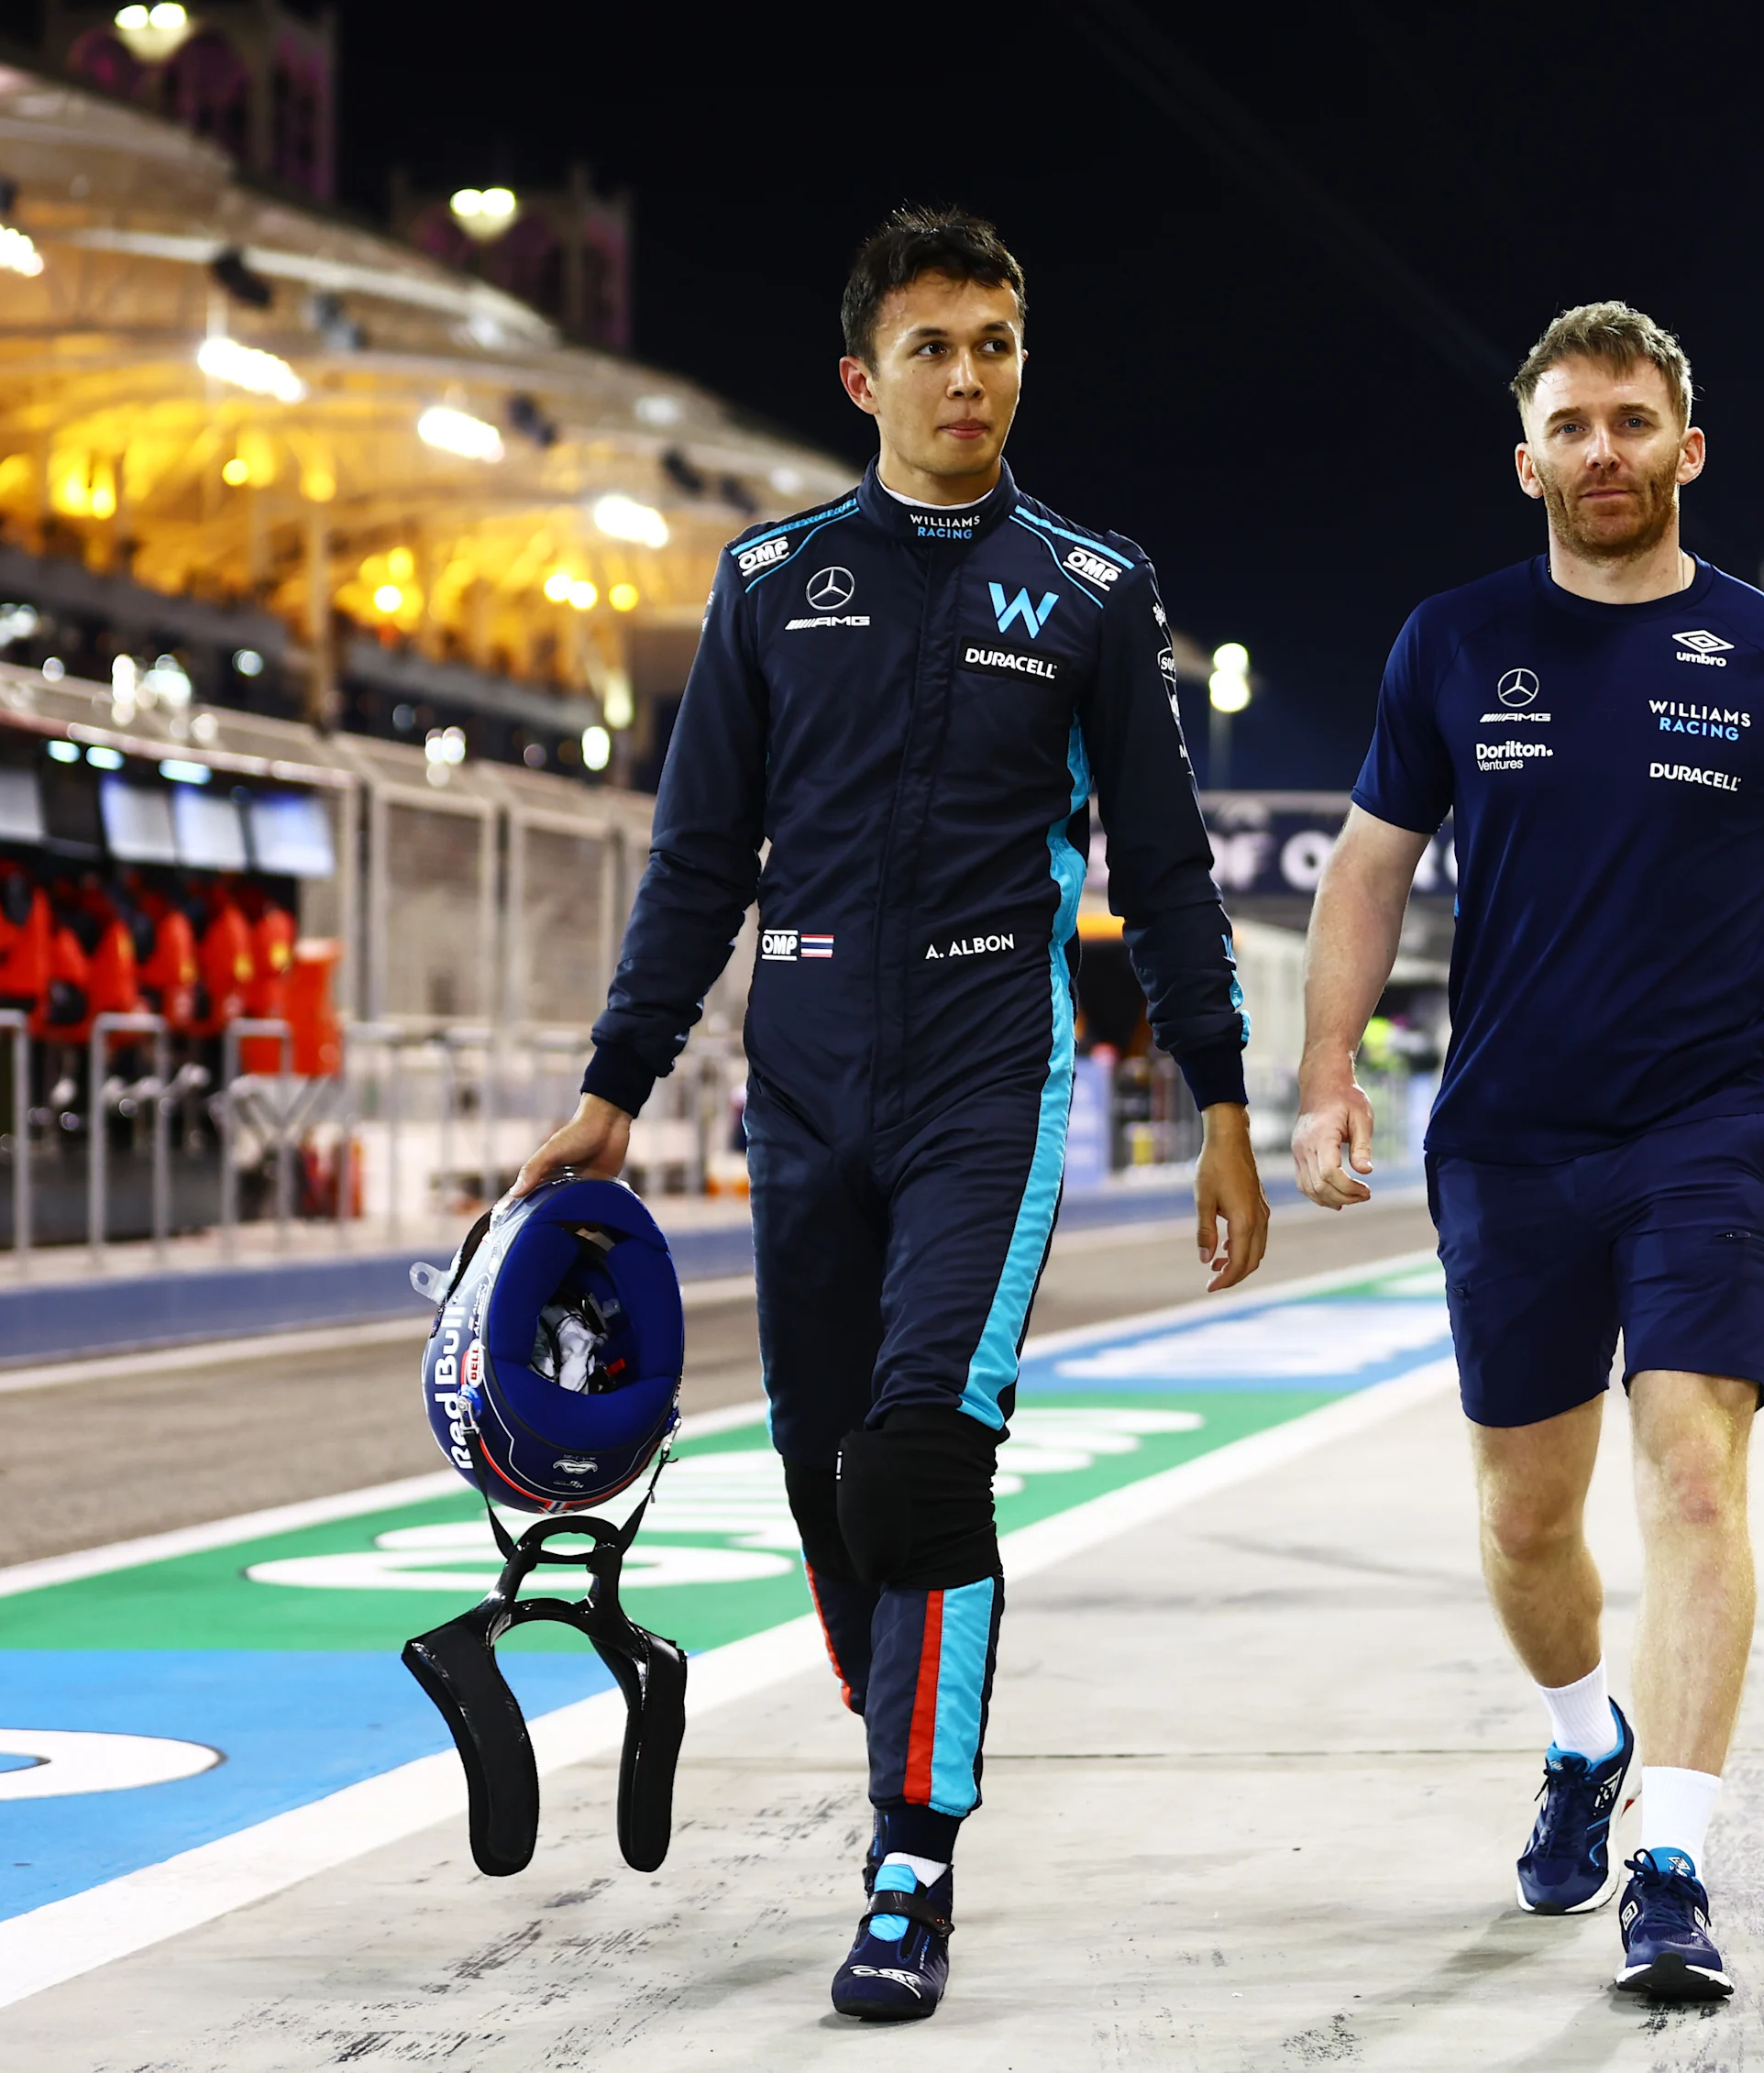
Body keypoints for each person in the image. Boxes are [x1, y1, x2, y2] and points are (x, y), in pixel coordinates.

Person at [513, 204, 1268, 2024]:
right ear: (863, 375)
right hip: (806, 1052)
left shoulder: (1091, 586)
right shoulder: (771, 578)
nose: (967, 375)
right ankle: (907, 1669)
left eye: (996, 340)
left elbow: (1163, 869)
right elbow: (700, 858)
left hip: (988, 1059)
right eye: (931, 345)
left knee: (921, 1457)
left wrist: (1223, 1094)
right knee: (818, 1465)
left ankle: (910, 1857)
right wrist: (615, 1083)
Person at [1290, 302, 1764, 2001]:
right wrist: (1324, 1074)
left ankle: (1672, 1859)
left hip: (1705, 1125)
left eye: (1632, 421)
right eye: (1570, 424)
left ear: (1687, 449)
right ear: (1525, 455)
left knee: (1692, 1473)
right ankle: (1580, 1737)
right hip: (1507, 1139)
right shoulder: (1452, 644)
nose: (1600, 450)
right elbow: (1365, 872)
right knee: (1528, 1521)